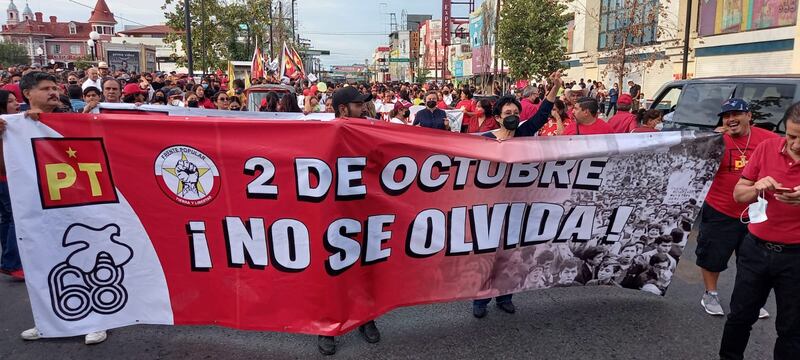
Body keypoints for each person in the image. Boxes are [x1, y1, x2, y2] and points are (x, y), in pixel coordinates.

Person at [0, 72, 108, 345]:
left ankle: (98, 319)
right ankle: (47, 321)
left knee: (86, 261)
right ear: (27, 94)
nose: (52, 92)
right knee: (43, 263)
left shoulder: (71, 119)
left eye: (54, 87)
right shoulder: (13, 126)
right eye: (45, 88)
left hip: (79, 202)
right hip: (38, 208)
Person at [719, 101, 800, 360]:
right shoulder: (766, 148)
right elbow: (739, 194)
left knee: (791, 328)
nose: (796, 145)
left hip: (796, 258)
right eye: (792, 136)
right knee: (740, 317)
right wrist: (757, 187)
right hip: (756, 250)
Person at [697, 99, 778, 320]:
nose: (731, 119)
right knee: (712, 256)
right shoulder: (716, 140)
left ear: (749, 116)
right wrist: (709, 141)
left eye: (736, 114)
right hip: (720, 209)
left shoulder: (768, 139)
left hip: (756, 213)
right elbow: (695, 165)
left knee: (753, 261)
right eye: (726, 115)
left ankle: (749, 299)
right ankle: (710, 294)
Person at [319, 86, 380, 355]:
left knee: (367, 272)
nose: (364, 108)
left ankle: (366, 319)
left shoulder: (371, 131)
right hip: (332, 217)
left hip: (366, 214)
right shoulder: (322, 135)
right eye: (359, 105)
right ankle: (327, 329)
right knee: (332, 276)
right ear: (343, 109)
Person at [482, 72, 562, 140]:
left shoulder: (524, 132)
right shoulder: (487, 139)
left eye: (516, 113)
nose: (513, 116)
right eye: (508, 113)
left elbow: (542, 113)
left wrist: (556, 87)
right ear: (498, 117)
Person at [0, 89, 22, 281]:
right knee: (15, 218)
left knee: (7, 218)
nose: (17, 104)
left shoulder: (15, 122)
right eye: (11, 102)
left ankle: (8, 260)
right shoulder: (4, 125)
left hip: (6, 178)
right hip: (6, 179)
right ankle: (12, 262)